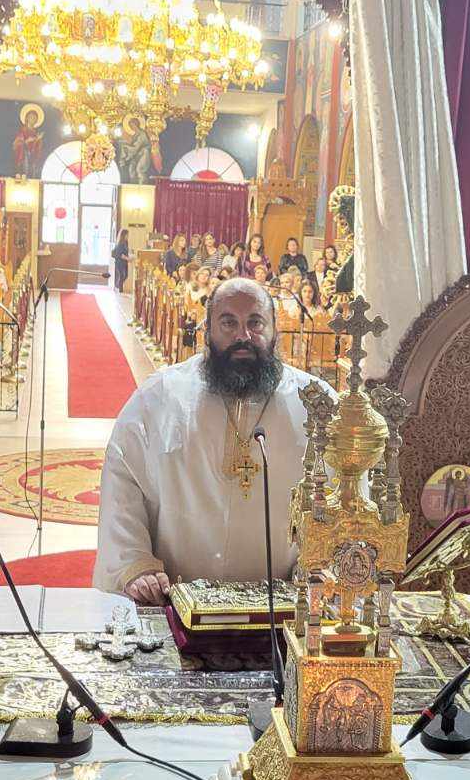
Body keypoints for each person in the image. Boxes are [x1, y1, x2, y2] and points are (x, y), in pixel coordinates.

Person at [94, 277, 333, 602]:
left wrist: (324, 564)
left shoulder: (315, 403)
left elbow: (343, 495)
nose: (243, 336)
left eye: (255, 322)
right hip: (177, 600)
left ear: (275, 330)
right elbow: (123, 477)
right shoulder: (161, 396)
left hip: (283, 608)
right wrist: (135, 564)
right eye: (228, 323)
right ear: (207, 331)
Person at [111, 227, 131, 292]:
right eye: (127, 235)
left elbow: (126, 251)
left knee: (126, 275)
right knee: (122, 275)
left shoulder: (126, 242)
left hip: (125, 262)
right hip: (119, 262)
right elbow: (120, 254)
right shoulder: (120, 243)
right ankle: (120, 290)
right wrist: (128, 259)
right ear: (124, 235)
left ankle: (117, 285)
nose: (128, 236)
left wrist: (129, 256)